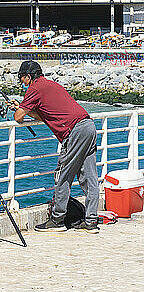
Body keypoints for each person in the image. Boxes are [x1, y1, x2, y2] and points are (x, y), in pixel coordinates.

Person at [8, 60, 99, 233]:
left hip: (74, 132)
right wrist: (22, 107)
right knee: (90, 177)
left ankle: (57, 220)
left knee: (63, 176)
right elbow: (46, 116)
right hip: (88, 125)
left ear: (29, 76)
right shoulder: (50, 85)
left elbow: (18, 117)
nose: (21, 82)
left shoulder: (34, 88)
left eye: (22, 78)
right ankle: (91, 221)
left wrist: (19, 109)